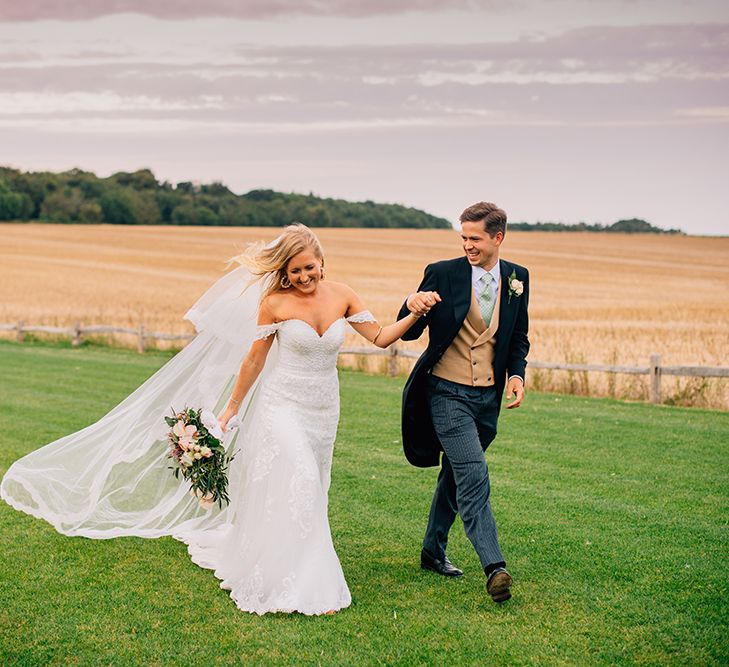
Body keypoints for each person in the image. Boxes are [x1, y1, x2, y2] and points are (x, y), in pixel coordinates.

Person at [1, 223, 437, 616]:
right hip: (283, 404)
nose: (303, 278)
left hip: (324, 407)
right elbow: (253, 359)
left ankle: (287, 559)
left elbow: (380, 338)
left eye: (309, 268)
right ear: (284, 272)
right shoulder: (274, 302)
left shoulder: (343, 294)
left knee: (312, 484)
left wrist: (415, 314)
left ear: (322, 262)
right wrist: (230, 408)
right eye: (294, 272)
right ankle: (305, 584)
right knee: (301, 477)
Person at [397, 201, 529, 603]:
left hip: (487, 398)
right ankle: (494, 566)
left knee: (454, 477)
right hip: (446, 392)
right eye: (463, 238)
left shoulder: (517, 278)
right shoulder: (443, 272)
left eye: (475, 238)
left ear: (497, 238)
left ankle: (432, 551)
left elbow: (518, 335)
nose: (467, 245)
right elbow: (408, 328)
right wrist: (411, 305)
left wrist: (518, 375)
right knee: (473, 473)